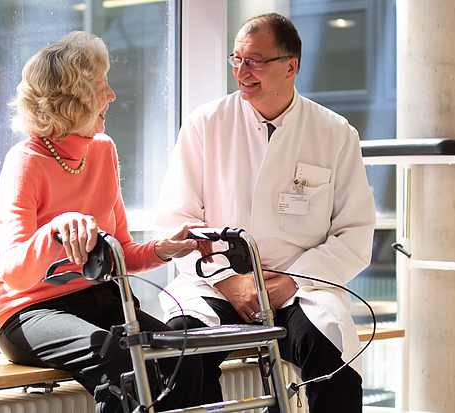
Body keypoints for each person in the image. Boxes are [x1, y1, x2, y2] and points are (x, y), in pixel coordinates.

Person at [156, 13, 376, 413]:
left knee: (332, 356)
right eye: (236, 59)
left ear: (291, 66)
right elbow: (177, 222)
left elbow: (354, 231)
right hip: (217, 285)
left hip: (300, 288)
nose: (242, 70)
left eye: (255, 60)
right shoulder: (206, 124)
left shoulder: (335, 132)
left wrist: (290, 281)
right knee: (180, 351)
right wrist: (230, 282)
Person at [0, 31, 219, 413]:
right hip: (30, 311)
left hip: (99, 299)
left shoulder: (103, 150)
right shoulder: (25, 160)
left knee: (186, 359)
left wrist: (163, 249)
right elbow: (14, 273)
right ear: (73, 98)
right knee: (122, 362)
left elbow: (121, 252)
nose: (111, 95)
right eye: (101, 85)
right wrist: (56, 231)